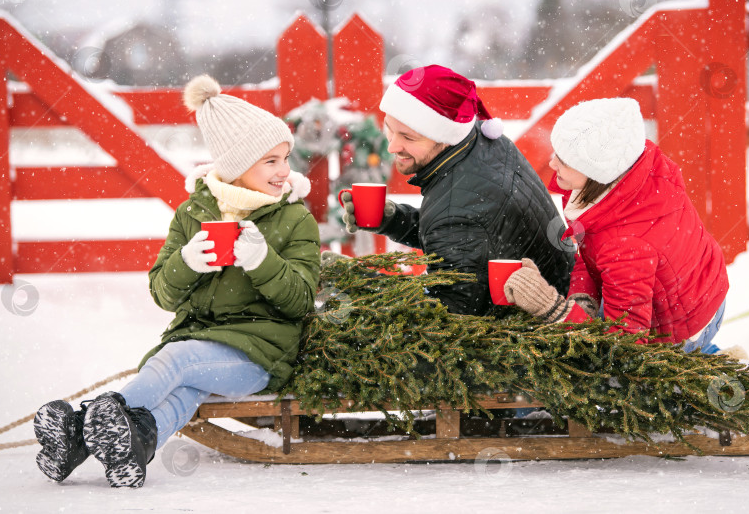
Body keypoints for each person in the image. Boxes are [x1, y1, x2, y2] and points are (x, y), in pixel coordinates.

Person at [32, 75, 320, 488]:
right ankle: (133, 451)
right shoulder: (193, 213)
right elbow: (163, 294)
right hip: (198, 342)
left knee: (178, 362)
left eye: (285, 158)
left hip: (260, 356)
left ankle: (76, 434)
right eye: (270, 161)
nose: (284, 171)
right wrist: (188, 262)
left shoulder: (294, 219)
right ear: (237, 166)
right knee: (183, 386)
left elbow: (300, 302)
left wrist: (262, 262)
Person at [341, 65, 574, 316]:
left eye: (408, 137)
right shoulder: (481, 143)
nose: (392, 146)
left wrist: (358, 283)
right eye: (389, 129)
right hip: (563, 292)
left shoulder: (460, 211)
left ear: (442, 135)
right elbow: (465, 240)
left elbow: (447, 317)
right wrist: (393, 220)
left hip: (531, 339)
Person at [503, 97, 729, 352]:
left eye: (564, 161)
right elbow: (591, 251)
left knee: (606, 375)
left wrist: (550, 307)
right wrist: (583, 298)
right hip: (696, 284)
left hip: (684, 319)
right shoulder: (615, 178)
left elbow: (622, 348)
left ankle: (695, 355)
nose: (552, 163)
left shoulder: (626, 245)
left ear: (596, 171)